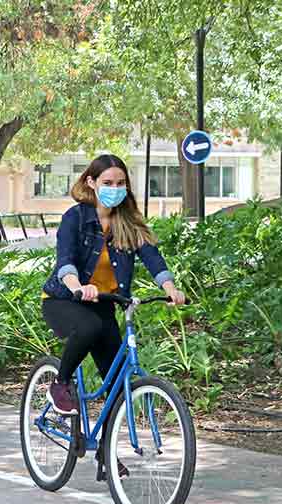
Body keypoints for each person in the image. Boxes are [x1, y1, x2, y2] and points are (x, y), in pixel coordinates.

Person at [41, 154, 186, 479]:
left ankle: (106, 454)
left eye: (120, 183)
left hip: (105, 303)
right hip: (63, 300)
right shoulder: (76, 218)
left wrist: (170, 287)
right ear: (91, 183)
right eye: (108, 183)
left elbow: (152, 257)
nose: (115, 189)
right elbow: (65, 259)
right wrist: (78, 286)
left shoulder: (128, 223)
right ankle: (60, 384)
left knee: (118, 388)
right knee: (89, 326)